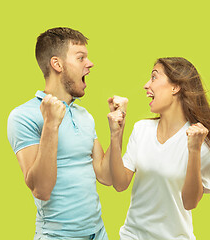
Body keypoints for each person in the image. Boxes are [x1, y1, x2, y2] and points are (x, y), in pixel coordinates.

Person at [108, 57, 210, 240]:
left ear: (175, 87)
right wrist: (115, 134)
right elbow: (119, 184)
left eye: (154, 77)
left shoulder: (200, 140)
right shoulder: (141, 129)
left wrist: (194, 150)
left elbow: (190, 202)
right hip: (132, 236)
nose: (146, 85)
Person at [7, 27, 127, 240]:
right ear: (57, 64)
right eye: (81, 58)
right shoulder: (22, 116)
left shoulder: (84, 115)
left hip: (98, 233)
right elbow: (41, 190)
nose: (89, 64)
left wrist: (116, 133)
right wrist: (51, 125)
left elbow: (105, 176)